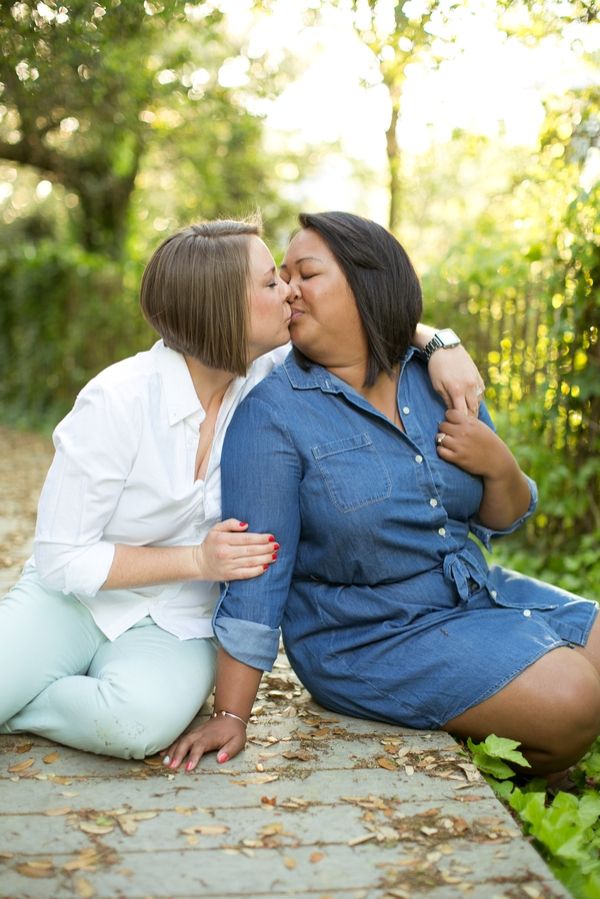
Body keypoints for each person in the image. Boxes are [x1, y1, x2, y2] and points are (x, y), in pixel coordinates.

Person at [0, 216, 481, 760]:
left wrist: (441, 341)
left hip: (178, 620)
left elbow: (371, 318)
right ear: (221, 307)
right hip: (75, 603)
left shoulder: (266, 375)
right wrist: (198, 561)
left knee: (136, 727)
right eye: (271, 283)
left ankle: (26, 700)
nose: (290, 292)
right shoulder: (118, 399)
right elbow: (63, 559)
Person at [164, 211, 600, 778]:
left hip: (470, 593)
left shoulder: (437, 376)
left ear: (366, 281)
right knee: (573, 699)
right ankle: (528, 747)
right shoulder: (271, 414)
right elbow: (257, 574)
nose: (289, 289)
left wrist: (500, 463)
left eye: (307, 273)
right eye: (281, 276)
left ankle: (517, 729)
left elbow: (504, 517)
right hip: (366, 636)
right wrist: (232, 712)